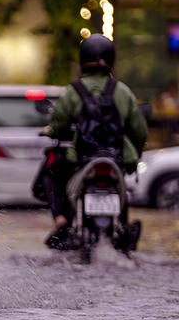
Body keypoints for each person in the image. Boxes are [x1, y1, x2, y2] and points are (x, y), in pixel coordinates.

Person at [43, 34, 148, 249]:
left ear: (83, 59)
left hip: (81, 157)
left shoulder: (74, 91)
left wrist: (52, 131)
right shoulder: (123, 91)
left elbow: (59, 124)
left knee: (51, 173)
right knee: (123, 191)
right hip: (116, 158)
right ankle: (124, 229)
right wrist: (133, 156)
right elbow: (139, 131)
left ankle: (61, 219)